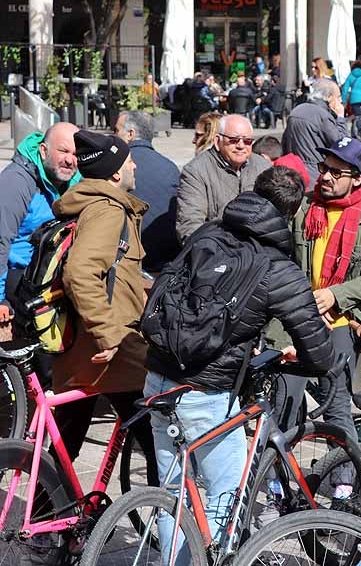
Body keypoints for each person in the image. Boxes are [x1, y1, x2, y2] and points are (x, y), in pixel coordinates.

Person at [146, 166, 339, 548]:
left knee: (173, 494)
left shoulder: (209, 232)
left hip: (159, 377)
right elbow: (318, 351)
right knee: (226, 491)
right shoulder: (279, 267)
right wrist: (311, 363)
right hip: (208, 393)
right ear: (292, 213)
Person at [50, 130, 154, 472]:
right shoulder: (108, 211)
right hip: (112, 353)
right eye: (129, 161)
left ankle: (47, 504)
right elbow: (80, 273)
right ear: (115, 174)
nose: (135, 165)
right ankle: (164, 505)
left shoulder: (88, 203)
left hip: (83, 349)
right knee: (158, 444)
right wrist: (108, 335)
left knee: (66, 442)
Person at [291, 137, 361, 435]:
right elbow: (281, 260)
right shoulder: (302, 207)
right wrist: (303, 301)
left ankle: (345, 465)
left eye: (337, 172)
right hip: (294, 315)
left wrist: (334, 295)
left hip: (340, 320)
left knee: (337, 407)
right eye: (324, 168)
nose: (326, 177)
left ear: (357, 178)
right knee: (285, 402)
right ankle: (277, 465)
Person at [0, 123, 79, 328]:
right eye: (63, 151)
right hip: (20, 273)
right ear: (43, 151)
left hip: (51, 267)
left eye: (75, 154)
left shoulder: (73, 180)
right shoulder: (16, 182)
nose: (69, 160)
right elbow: (1, 240)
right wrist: (0, 299)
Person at [176, 114, 271, 242]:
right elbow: (190, 226)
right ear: (217, 141)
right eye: (233, 140)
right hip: (217, 247)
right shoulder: (195, 171)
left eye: (247, 141)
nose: (241, 145)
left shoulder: (263, 167)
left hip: (259, 247)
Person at [114, 111, 181, 273]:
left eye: (116, 130)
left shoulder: (116, 167)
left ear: (130, 134)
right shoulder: (171, 167)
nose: (113, 136)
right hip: (167, 260)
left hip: (127, 261)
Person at [282, 79, 349, 185]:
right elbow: (341, 144)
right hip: (315, 172)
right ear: (329, 97)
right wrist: (341, 118)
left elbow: (285, 143)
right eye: (338, 96)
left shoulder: (296, 110)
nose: (340, 101)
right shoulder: (323, 116)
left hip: (293, 169)